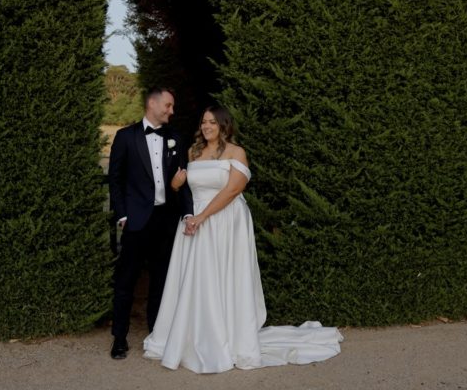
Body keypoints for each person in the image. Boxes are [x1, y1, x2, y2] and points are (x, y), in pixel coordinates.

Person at [143, 105, 343, 373]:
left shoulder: (237, 153)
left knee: (223, 275)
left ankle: (227, 333)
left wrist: (203, 218)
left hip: (225, 221)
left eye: (213, 122)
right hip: (195, 223)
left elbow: (232, 190)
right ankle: (192, 335)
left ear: (224, 125)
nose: (207, 126)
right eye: (204, 122)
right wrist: (178, 189)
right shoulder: (193, 152)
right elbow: (184, 190)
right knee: (196, 278)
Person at [108, 87, 193, 360]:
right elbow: (115, 180)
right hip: (135, 222)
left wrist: (188, 213)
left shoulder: (175, 139)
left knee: (161, 281)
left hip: (165, 222)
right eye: (168, 105)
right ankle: (119, 338)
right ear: (153, 104)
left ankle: (156, 333)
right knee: (126, 281)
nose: (172, 111)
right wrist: (122, 215)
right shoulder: (125, 137)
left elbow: (183, 181)